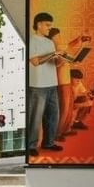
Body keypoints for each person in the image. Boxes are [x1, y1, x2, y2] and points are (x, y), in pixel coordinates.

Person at [27, 12, 63, 155]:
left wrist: (62, 59)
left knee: (53, 115)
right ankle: (31, 146)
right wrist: (52, 55)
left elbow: (54, 63)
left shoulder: (49, 42)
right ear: (39, 24)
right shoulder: (32, 41)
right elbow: (35, 62)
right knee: (36, 117)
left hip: (52, 83)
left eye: (50, 25)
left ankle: (48, 143)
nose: (49, 28)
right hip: (38, 85)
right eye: (47, 25)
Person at [47, 27, 77, 142]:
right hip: (61, 81)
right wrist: (62, 61)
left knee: (69, 106)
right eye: (56, 37)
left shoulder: (60, 48)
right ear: (51, 39)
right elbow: (54, 65)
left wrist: (72, 59)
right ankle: (57, 133)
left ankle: (65, 129)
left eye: (59, 36)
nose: (59, 38)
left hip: (67, 79)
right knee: (63, 108)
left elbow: (69, 46)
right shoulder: (52, 50)